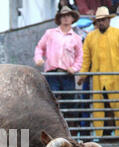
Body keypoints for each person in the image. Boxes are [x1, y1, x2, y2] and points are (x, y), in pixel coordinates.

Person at [77, 6, 119, 138]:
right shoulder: (90, 37)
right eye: (99, 20)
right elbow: (86, 59)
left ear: (109, 20)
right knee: (102, 107)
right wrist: (82, 75)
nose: (101, 22)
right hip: (100, 80)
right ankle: (105, 133)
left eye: (104, 20)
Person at [34, 6, 83, 136]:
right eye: (63, 16)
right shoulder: (50, 33)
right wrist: (38, 58)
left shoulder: (76, 38)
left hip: (67, 74)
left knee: (70, 103)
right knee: (51, 102)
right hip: (52, 73)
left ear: (72, 18)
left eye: (68, 15)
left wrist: (74, 68)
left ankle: (70, 133)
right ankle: (51, 132)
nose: (66, 18)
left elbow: (79, 57)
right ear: (59, 18)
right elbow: (39, 47)